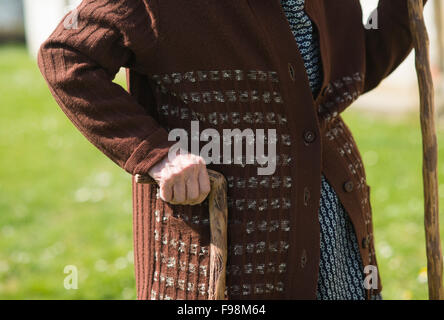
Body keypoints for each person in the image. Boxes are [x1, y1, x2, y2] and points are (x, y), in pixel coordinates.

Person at [38, 0, 427, 300]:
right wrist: (156, 152)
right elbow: (65, 57)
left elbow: (353, 69)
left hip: (333, 227)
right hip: (226, 248)